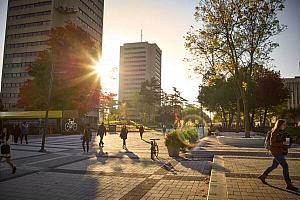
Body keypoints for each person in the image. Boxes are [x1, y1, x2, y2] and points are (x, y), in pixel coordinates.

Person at [258, 119, 298, 191]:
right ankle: (288, 184)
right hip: (276, 152)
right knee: (285, 166)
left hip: (280, 152)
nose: (285, 126)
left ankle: (263, 176)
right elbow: (272, 143)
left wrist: (290, 140)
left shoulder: (283, 132)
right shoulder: (274, 132)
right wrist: (283, 143)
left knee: (274, 166)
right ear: (279, 125)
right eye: (283, 124)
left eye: (285, 124)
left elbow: (285, 142)